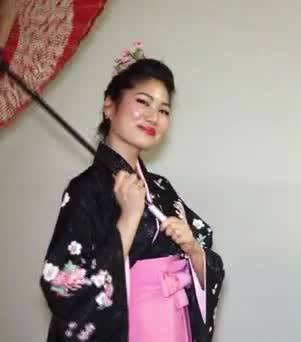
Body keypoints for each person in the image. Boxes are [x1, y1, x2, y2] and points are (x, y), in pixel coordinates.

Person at [40, 43, 224, 342]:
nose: (153, 116)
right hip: (128, 330)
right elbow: (63, 285)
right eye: (143, 101)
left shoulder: (161, 188)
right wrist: (128, 219)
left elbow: (205, 253)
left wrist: (193, 250)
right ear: (109, 105)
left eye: (164, 110)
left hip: (175, 329)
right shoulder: (87, 189)